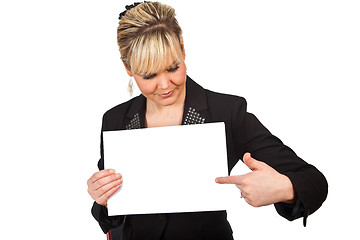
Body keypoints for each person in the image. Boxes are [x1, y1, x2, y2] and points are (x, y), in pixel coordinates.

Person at [87, 2, 328, 240]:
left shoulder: (226, 112)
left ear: (182, 49)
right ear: (128, 68)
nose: (164, 85)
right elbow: (109, 215)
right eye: (149, 75)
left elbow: (314, 182)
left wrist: (284, 189)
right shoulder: (115, 120)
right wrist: (102, 198)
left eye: (172, 67)